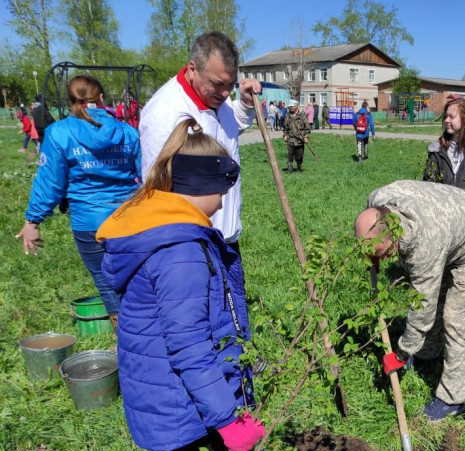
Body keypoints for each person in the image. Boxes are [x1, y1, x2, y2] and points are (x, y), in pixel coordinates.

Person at [97, 118, 266, 451]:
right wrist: (229, 421)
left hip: (180, 395)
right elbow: (190, 347)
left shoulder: (164, 225)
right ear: (203, 184)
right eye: (223, 187)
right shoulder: (180, 252)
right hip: (184, 401)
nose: (226, 197)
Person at [355, 180, 465, 421]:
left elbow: (422, 306)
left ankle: (452, 398)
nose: (381, 257)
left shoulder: (423, 245)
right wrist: (372, 256)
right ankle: (428, 352)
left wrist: (402, 353)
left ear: (394, 234)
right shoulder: (377, 201)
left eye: (383, 252)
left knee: (457, 319)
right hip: (451, 224)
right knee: (439, 297)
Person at [15, 75, 141, 328]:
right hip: (130, 218)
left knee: (105, 281)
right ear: (102, 99)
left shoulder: (59, 133)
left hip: (89, 221)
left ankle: (125, 338)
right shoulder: (128, 132)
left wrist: (33, 221)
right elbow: (147, 174)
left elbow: (50, 182)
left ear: (71, 101)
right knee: (136, 276)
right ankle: (145, 332)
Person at [139, 31, 261, 250]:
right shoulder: (165, 114)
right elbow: (155, 187)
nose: (225, 93)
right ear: (193, 69)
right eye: (218, 84)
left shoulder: (214, 101)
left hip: (225, 238)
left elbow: (227, 129)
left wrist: (244, 104)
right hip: (192, 244)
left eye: (230, 85)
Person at [422, 98, 465, 203]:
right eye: (446, 116)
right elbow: (428, 185)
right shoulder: (437, 150)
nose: (446, 120)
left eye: (452, 117)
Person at [283, 99, 310, 173]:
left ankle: (298, 168)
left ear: (295, 107)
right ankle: (290, 169)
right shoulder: (288, 115)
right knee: (290, 154)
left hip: (300, 139)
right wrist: (285, 135)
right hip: (290, 139)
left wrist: (306, 137)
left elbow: (307, 127)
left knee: (299, 156)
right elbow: (285, 127)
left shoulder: (302, 115)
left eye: (291, 107)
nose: (289, 108)